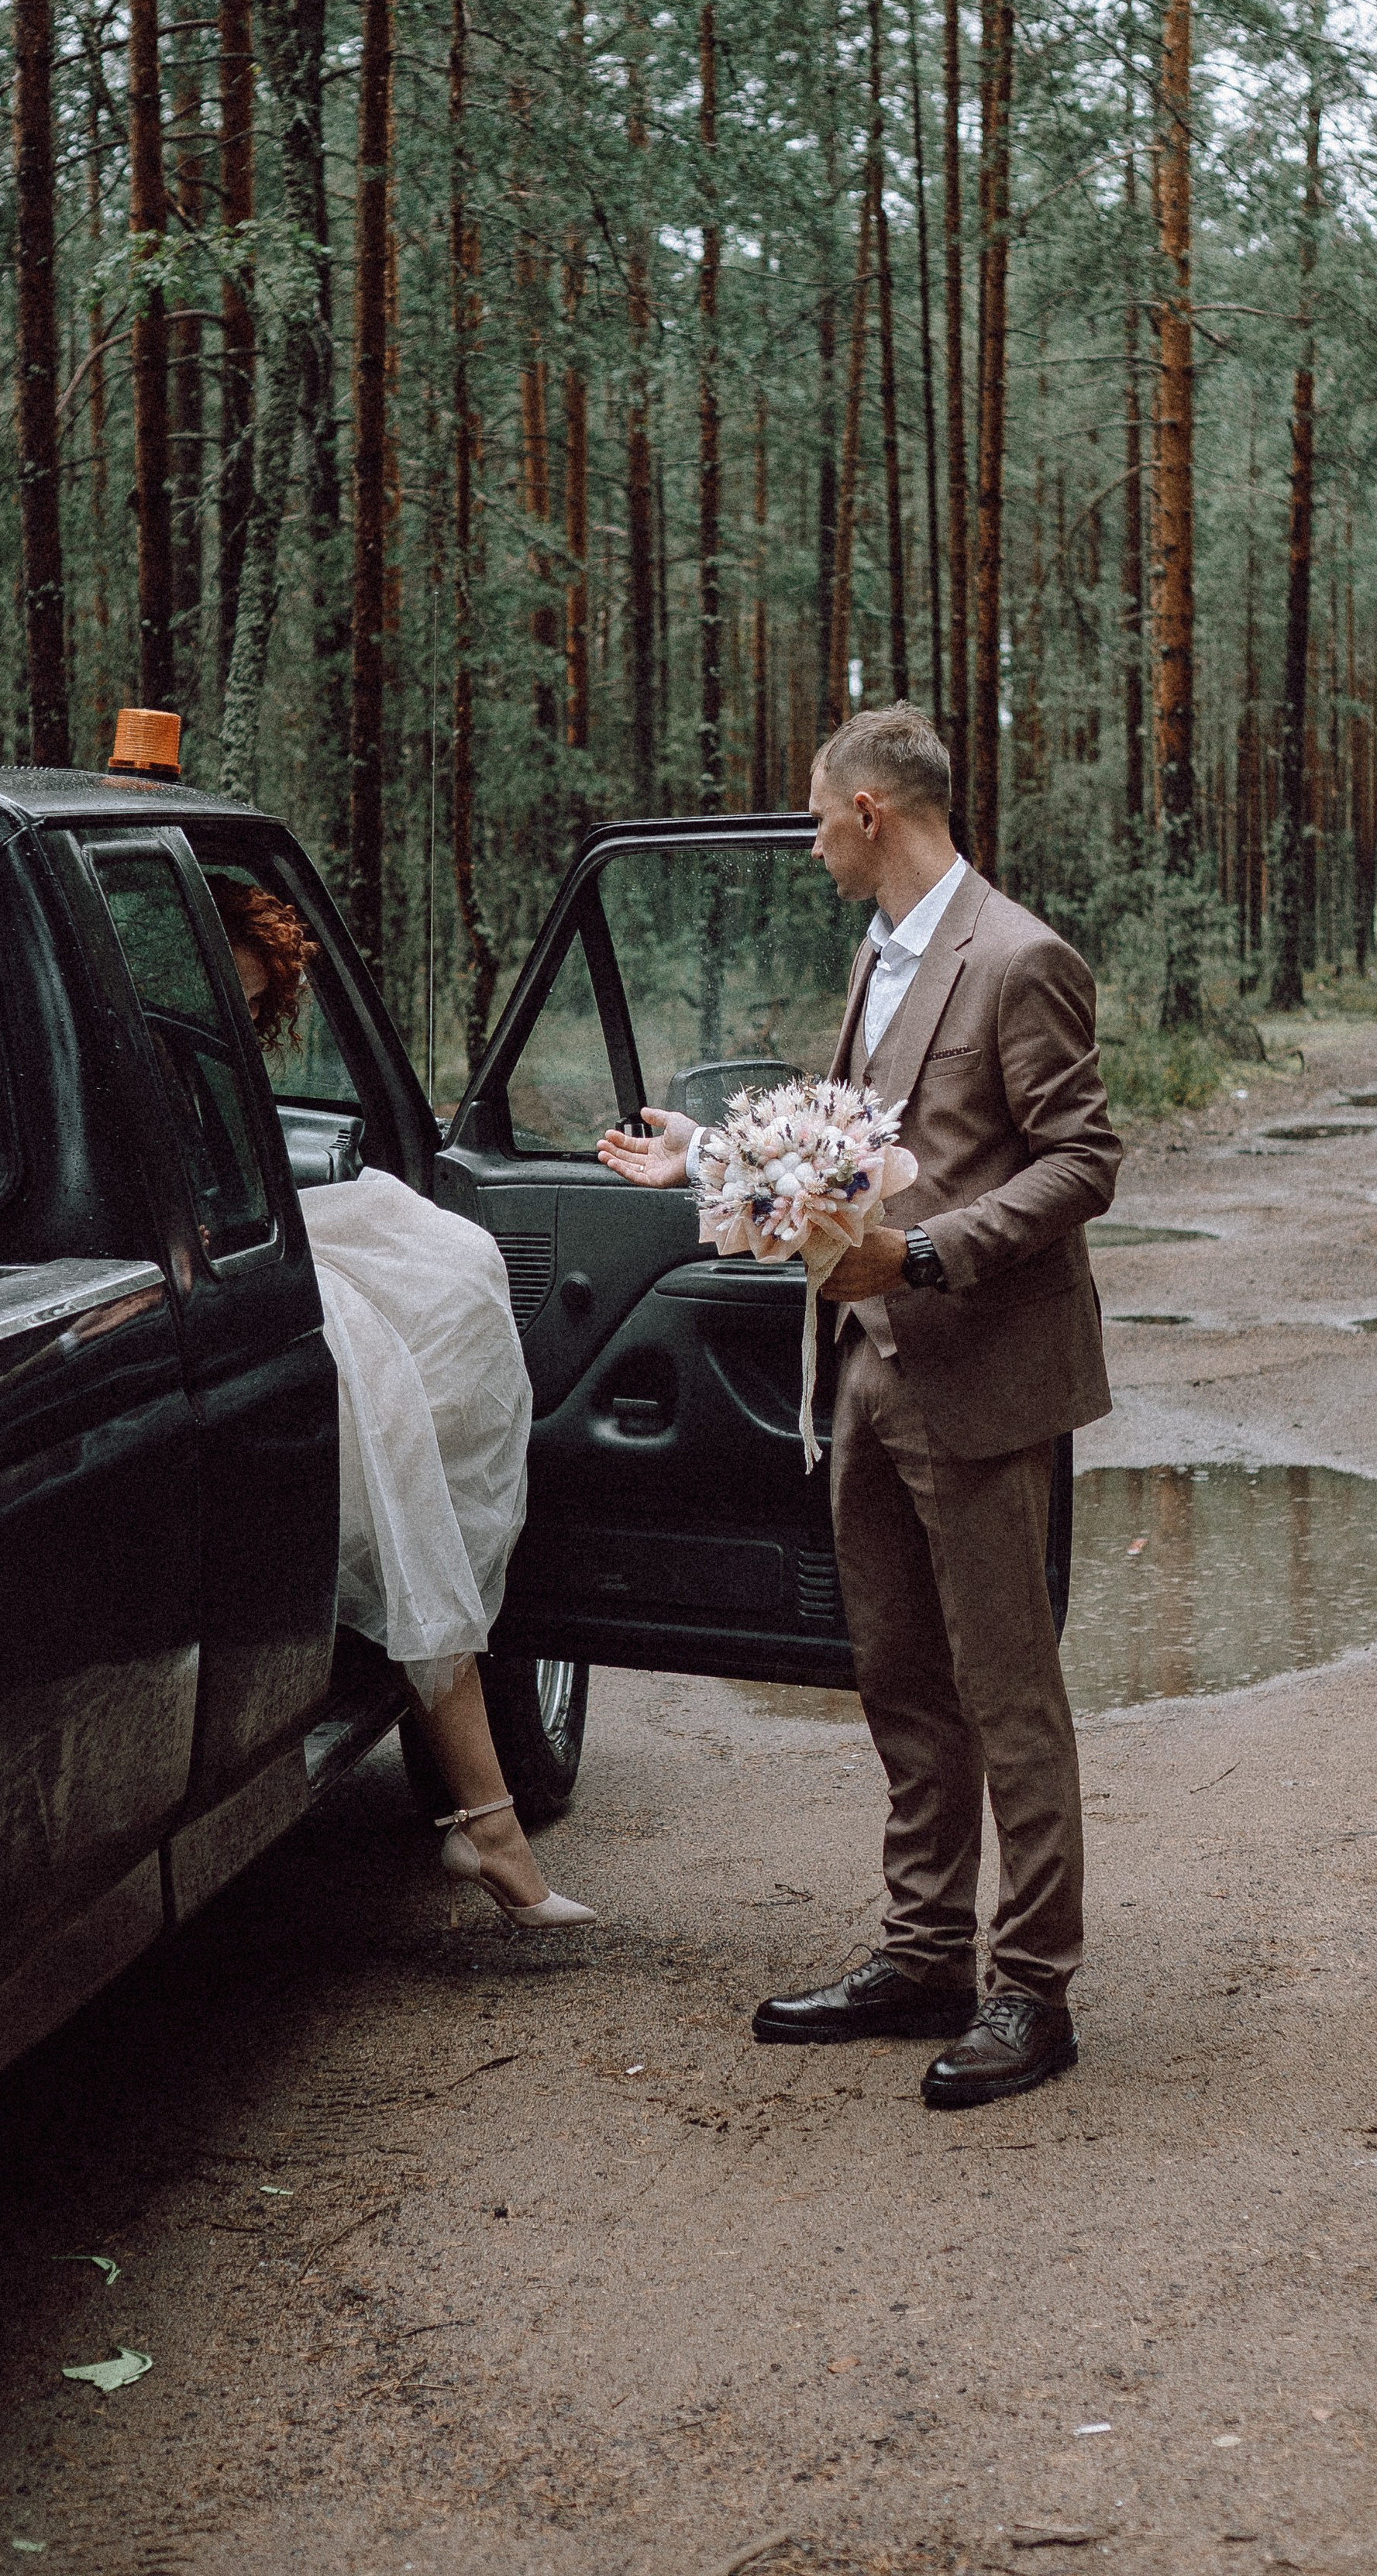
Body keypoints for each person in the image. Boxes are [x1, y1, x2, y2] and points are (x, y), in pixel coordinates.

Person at [597, 704, 1119, 2105]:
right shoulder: (877, 957)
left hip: (985, 1378)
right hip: (865, 1376)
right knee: (898, 1680)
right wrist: (709, 1159)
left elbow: (1083, 1162)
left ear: (875, 810)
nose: (814, 835)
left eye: (822, 812)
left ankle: (1032, 1992)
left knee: (1009, 1693)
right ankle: (923, 1954)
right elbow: (858, 1164)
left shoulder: (1018, 959)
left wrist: (935, 1255)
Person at [208, 877, 593, 1934]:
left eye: (248, 1011)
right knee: (382, 1397)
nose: (236, 1027)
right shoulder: (118, 1052)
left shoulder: (171, 1050)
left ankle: (484, 1811)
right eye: (223, 1005)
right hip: (199, 1262)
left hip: (242, 1232)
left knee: (456, 1260)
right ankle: (489, 1822)